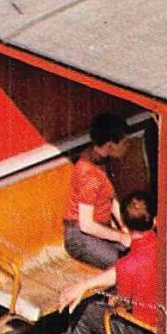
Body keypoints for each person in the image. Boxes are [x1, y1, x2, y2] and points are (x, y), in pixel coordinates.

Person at [54, 192, 167, 334]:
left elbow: (121, 305)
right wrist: (86, 285)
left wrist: (106, 300)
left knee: (85, 312)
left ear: (124, 223)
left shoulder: (127, 264)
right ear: (154, 220)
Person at [63, 114, 133, 269]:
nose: (128, 146)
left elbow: (111, 199)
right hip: (81, 237)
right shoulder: (89, 174)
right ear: (110, 145)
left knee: (139, 252)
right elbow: (86, 224)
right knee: (124, 266)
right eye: (125, 143)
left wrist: (124, 227)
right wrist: (121, 236)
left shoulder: (99, 159)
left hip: (101, 230)